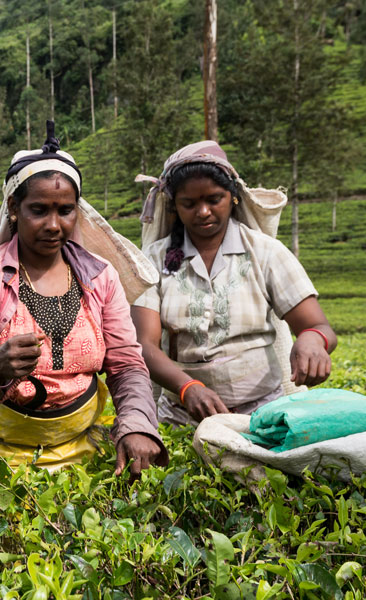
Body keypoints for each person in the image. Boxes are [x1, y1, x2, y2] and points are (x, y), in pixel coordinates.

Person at [0, 123, 168, 476]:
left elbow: (126, 364)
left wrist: (135, 424)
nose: (54, 225)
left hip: (83, 446)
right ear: (14, 208)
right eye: (39, 210)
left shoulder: (100, 276)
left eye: (65, 210)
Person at [131, 140, 338, 427]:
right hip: (182, 416)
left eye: (214, 200)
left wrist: (313, 341)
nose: (203, 212)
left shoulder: (266, 252)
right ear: (174, 207)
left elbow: (318, 326)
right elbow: (145, 344)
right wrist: (187, 387)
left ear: (233, 197)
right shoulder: (154, 259)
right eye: (189, 204)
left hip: (263, 414)